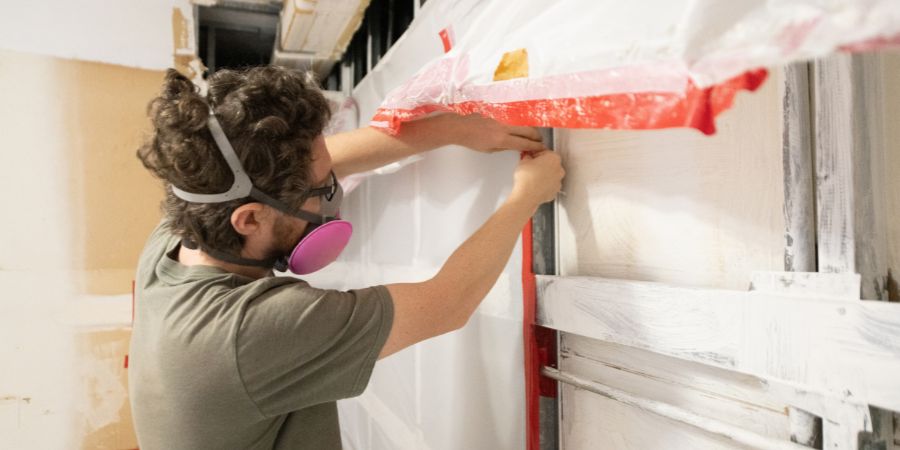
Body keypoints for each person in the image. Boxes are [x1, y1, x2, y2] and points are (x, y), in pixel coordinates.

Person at [131, 66, 564, 450]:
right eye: (321, 190)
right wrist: (525, 196)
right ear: (249, 219)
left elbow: (323, 159)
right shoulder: (248, 333)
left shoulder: (179, 234)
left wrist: (451, 129)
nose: (331, 197)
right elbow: (447, 305)